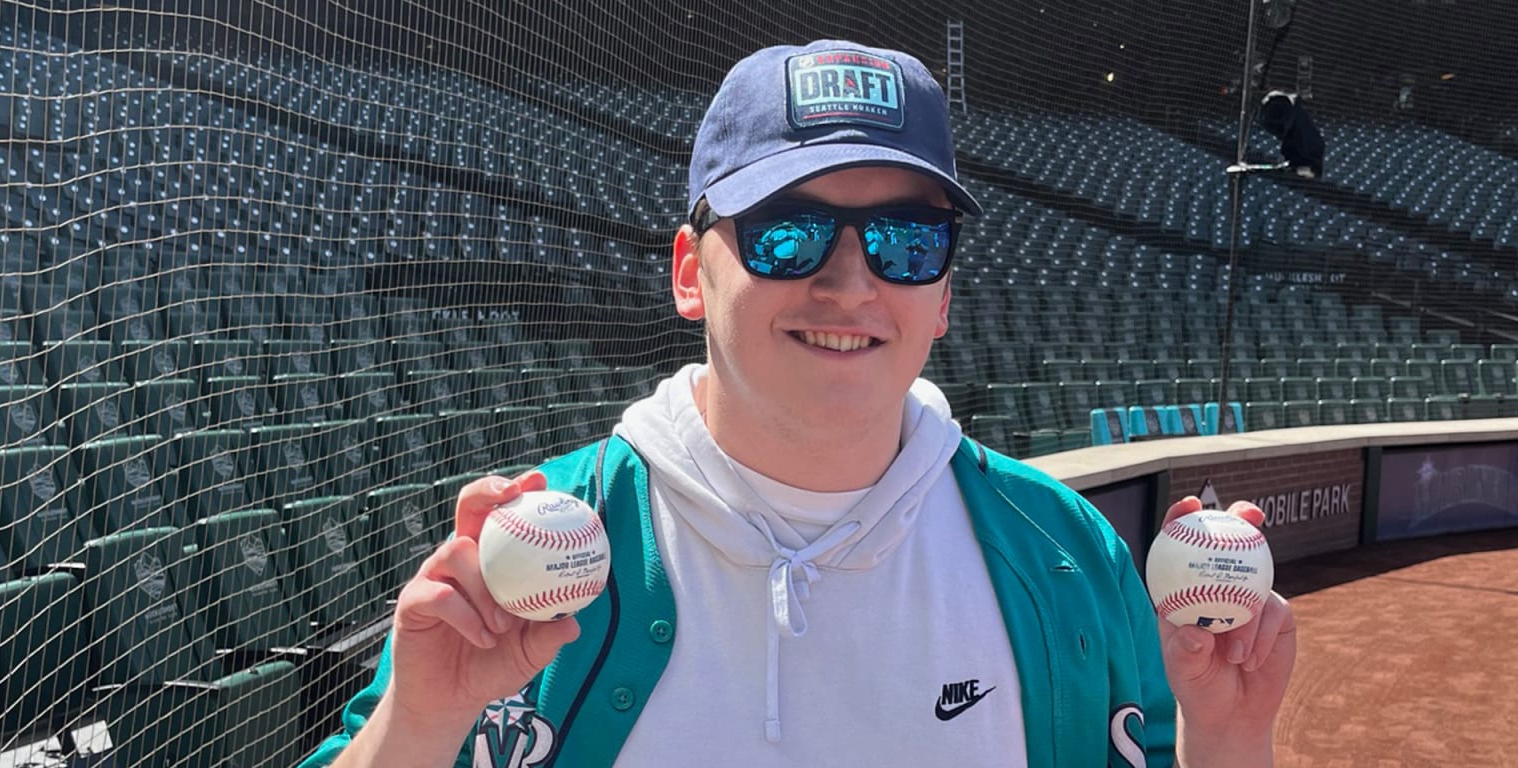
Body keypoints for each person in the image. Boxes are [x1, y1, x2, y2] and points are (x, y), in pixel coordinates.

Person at [302, 39, 1296, 768]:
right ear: (692, 271)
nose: (853, 283)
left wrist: (1228, 735)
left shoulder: (1066, 556)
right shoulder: (543, 562)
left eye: (906, 240)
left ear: (943, 294)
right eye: (788, 232)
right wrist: (420, 725)